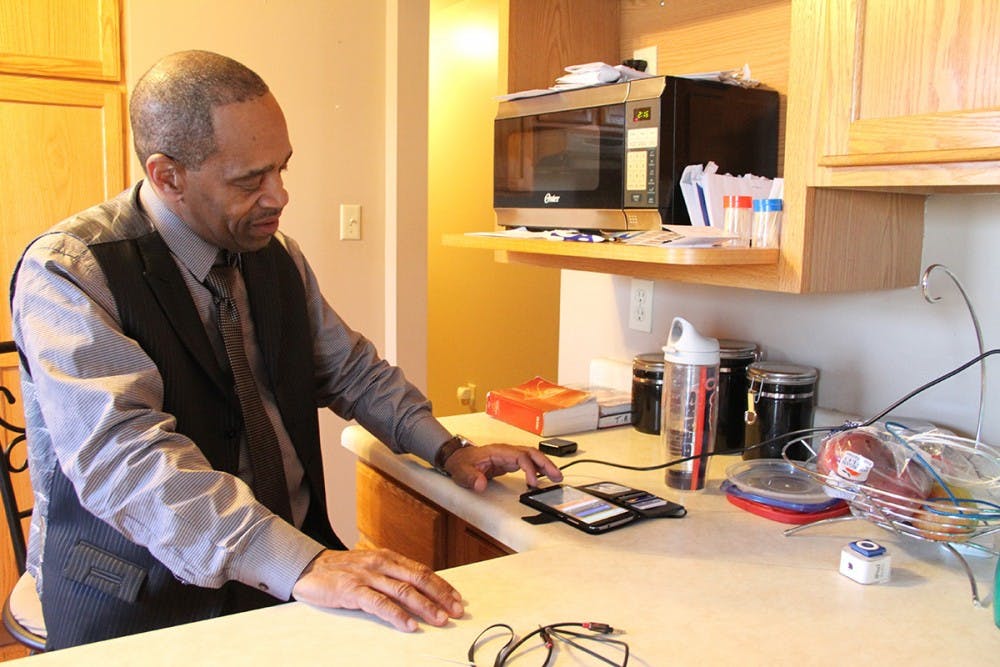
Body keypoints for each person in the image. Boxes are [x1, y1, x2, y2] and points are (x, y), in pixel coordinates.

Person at [10, 50, 563, 650]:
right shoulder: (71, 271)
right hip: (143, 597)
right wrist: (299, 563)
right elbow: (125, 457)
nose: (279, 196)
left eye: (283, 169)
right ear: (167, 176)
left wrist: (448, 448)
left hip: (286, 569)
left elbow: (352, 373)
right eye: (251, 180)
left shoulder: (277, 259)